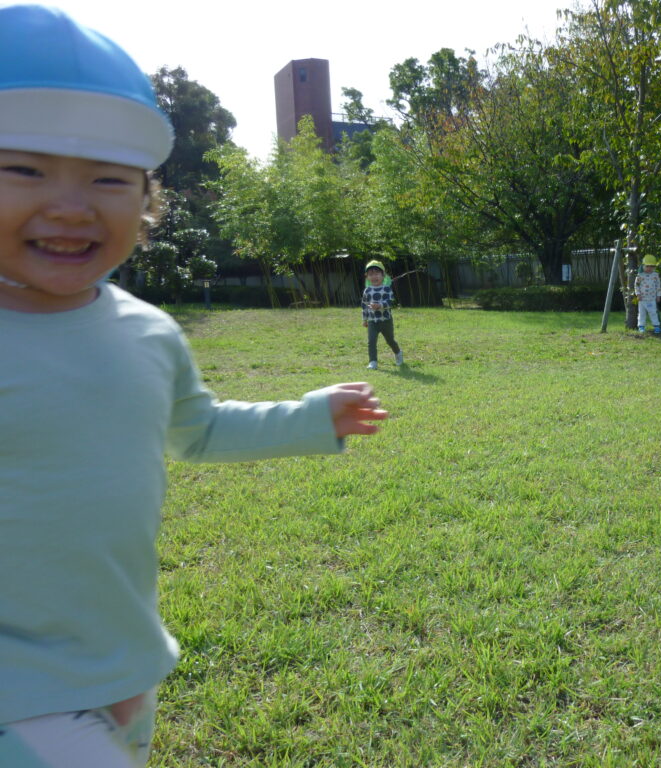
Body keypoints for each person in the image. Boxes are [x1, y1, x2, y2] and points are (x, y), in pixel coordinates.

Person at [0, 6, 387, 766]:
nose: (71, 203)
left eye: (108, 178)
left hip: (123, 666)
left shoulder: (147, 332)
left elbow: (200, 429)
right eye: (25, 169)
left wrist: (312, 418)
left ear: (146, 203)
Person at [362, 259, 403, 369]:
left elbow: (391, 302)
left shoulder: (386, 289)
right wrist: (364, 319)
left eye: (376, 273)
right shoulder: (367, 290)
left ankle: (398, 352)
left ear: (383, 275)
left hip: (386, 320)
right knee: (371, 342)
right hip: (372, 321)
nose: (374, 277)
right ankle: (373, 362)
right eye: (370, 274)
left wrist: (380, 305)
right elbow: (364, 305)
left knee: (390, 340)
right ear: (367, 276)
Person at [634, 255, 661, 334]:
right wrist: (638, 294)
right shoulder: (640, 275)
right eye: (647, 266)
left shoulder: (656, 275)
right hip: (642, 299)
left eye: (652, 266)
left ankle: (656, 326)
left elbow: (658, 286)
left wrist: (658, 295)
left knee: (653, 312)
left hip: (651, 298)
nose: (649, 268)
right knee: (642, 313)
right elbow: (636, 285)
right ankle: (641, 327)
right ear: (643, 266)